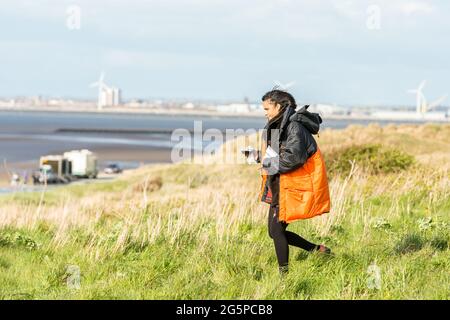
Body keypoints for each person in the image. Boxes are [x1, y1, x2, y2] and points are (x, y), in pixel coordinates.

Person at [258, 89, 332, 277]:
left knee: (276, 231)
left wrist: (266, 162)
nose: (265, 112)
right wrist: (259, 157)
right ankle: (318, 250)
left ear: (279, 106)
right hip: (279, 184)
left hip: (291, 185)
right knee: (274, 232)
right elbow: (275, 155)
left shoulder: (294, 127)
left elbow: (293, 159)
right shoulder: (275, 125)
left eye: (267, 108)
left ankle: (285, 277)